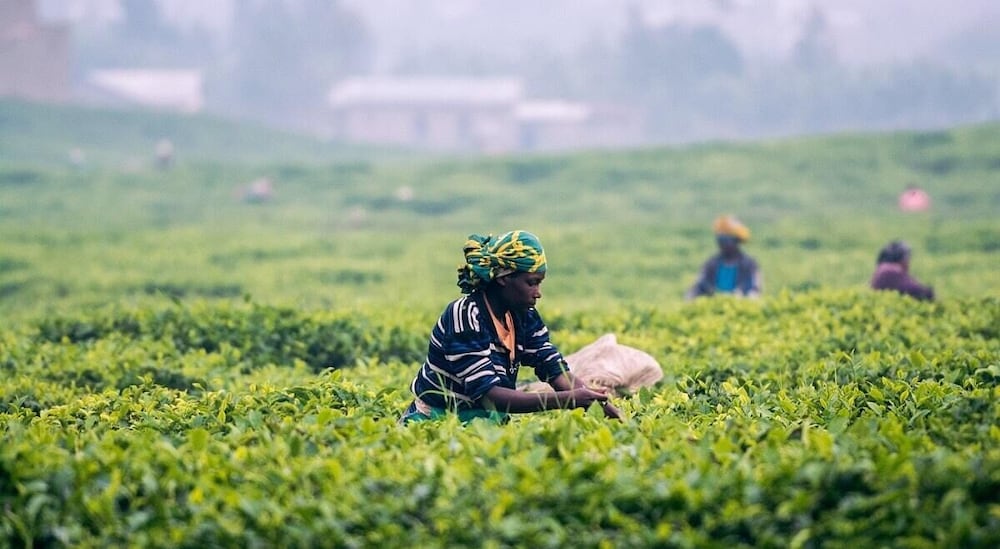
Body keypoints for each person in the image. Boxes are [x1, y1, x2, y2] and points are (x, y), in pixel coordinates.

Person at [400, 230, 622, 424]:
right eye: (531, 282)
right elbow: (489, 396)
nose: (538, 292)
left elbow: (554, 368)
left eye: (539, 283)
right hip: (438, 419)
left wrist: (600, 406)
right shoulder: (465, 316)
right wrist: (566, 400)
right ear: (504, 278)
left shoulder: (524, 315)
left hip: (486, 419)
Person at [686, 215, 762, 299]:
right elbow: (700, 285)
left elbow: (754, 290)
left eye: (725, 240)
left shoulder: (749, 265)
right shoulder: (711, 264)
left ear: (736, 241)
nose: (722, 244)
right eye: (720, 240)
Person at [870, 240, 934, 301]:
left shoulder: (882, 268)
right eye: (907, 258)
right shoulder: (891, 270)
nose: (909, 262)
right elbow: (915, 289)